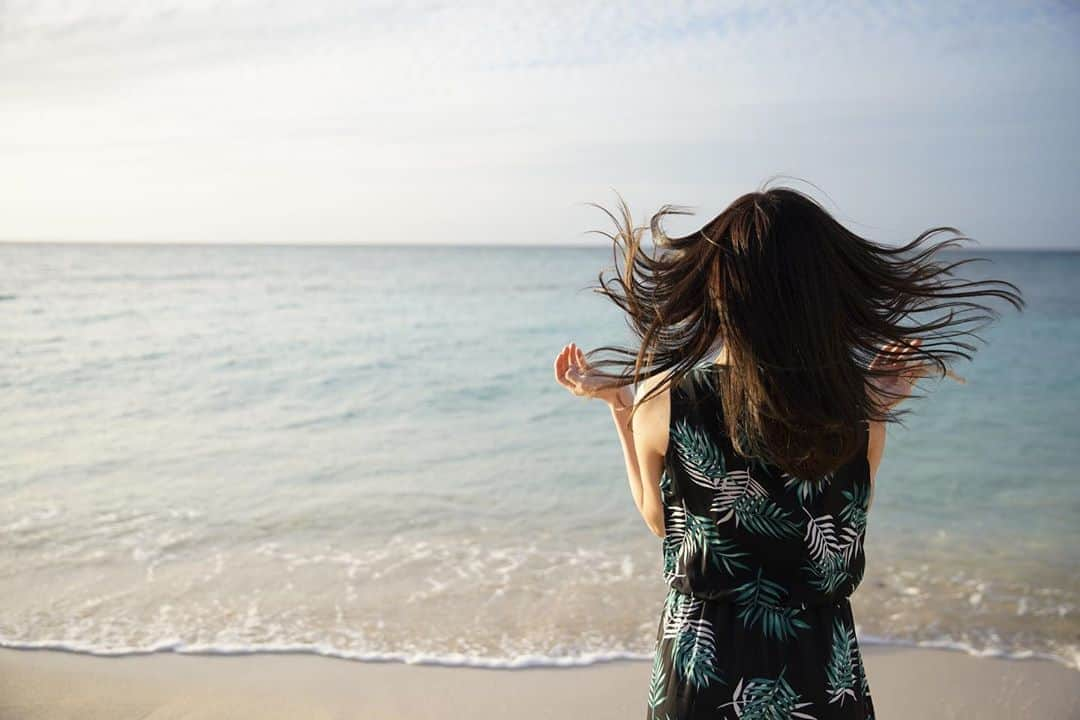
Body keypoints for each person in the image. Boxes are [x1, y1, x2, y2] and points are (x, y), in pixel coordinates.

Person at [552, 184, 1022, 720]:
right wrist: (872, 400)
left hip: (702, 678)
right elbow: (832, 531)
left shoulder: (664, 398)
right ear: (821, 290)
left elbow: (661, 519)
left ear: (720, 289)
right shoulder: (859, 409)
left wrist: (620, 404)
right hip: (821, 675)